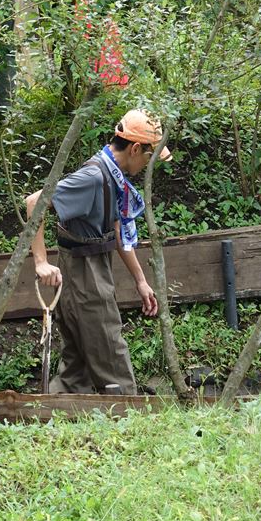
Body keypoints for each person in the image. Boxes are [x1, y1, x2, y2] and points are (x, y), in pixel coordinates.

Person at [26, 109, 169, 395]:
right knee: (112, 359)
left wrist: (140, 280)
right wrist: (40, 262)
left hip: (89, 270)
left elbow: (116, 231)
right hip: (85, 276)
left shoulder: (111, 176)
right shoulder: (94, 176)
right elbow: (34, 203)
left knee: (75, 370)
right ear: (135, 148)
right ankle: (130, 421)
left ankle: (51, 417)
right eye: (149, 158)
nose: (148, 166)